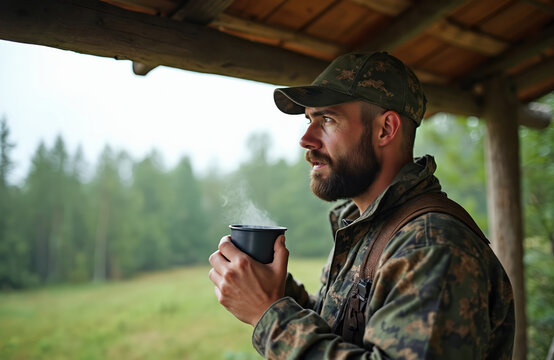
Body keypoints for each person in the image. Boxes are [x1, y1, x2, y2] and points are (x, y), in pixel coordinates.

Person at [208, 51, 515, 359]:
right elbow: (344, 328)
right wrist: (274, 290)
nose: (305, 139)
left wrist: (269, 315)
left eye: (327, 119)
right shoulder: (367, 225)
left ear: (385, 129)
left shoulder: (431, 244)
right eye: (309, 119)